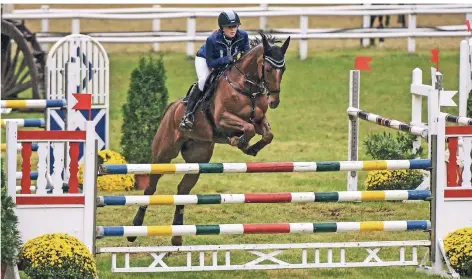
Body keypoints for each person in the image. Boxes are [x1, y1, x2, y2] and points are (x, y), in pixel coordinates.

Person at [179, 10, 250, 130]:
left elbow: (246, 54)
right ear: (222, 28)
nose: (233, 29)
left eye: (235, 26)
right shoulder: (212, 40)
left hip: (229, 64)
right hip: (205, 59)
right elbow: (211, 63)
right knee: (203, 80)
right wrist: (227, 59)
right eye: (229, 27)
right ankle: (188, 114)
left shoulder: (243, 36)